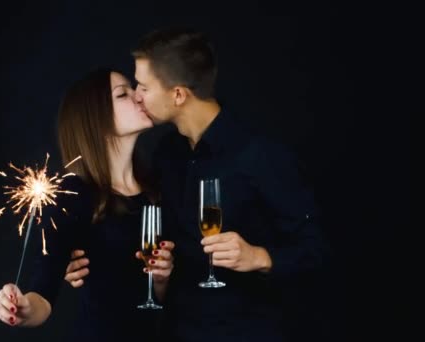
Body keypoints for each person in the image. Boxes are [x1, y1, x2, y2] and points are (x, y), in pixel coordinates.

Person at [64, 28, 325, 341]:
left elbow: (315, 248)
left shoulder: (259, 155)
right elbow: (140, 233)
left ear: (178, 94)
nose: (137, 95)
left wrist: (259, 257)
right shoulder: (166, 156)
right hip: (176, 331)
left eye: (144, 87)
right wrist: (82, 260)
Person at [0, 68, 176, 341]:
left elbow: (165, 299)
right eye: (122, 94)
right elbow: (43, 288)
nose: (139, 95)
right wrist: (24, 308)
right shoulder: (70, 194)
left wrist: (162, 280)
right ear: (96, 117)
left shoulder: (159, 187)